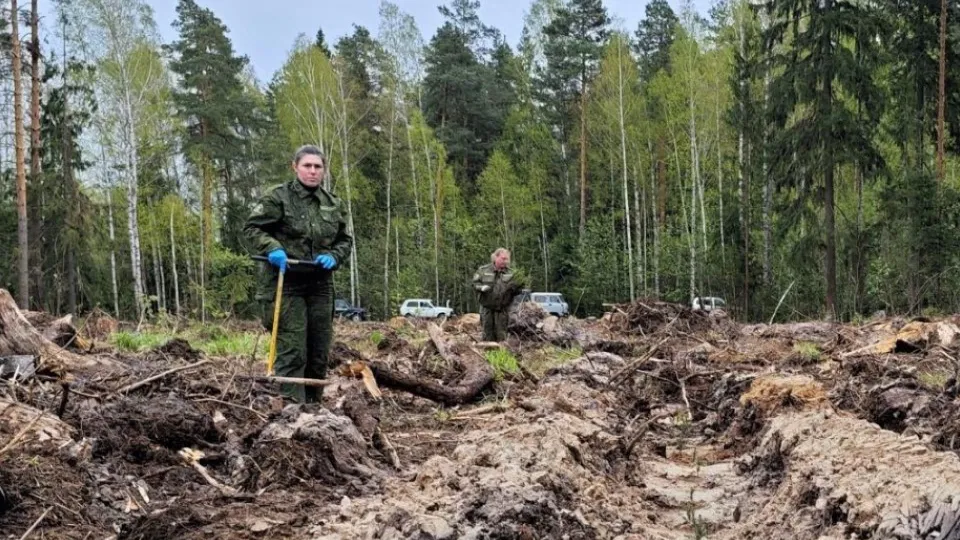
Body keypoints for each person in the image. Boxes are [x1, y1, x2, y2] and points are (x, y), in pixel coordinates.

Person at [243, 145, 352, 403]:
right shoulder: (277, 198)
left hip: (320, 284)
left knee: (318, 351)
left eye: (318, 167)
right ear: (295, 167)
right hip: (286, 282)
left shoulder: (333, 203)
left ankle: (314, 409)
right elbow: (252, 229)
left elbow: (344, 240)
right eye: (307, 166)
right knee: (293, 350)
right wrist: (272, 247)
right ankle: (291, 409)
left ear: (324, 170)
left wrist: (334, 256)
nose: (313, 171)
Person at [472, 248, 524, 342]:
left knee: (502, 335)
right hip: (487, 309)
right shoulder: (483, 270)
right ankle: (488, 350)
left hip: (503, 310)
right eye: (503, 258)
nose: (505, 261)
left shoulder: (512, 273)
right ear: (495, 257)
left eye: (507, 259)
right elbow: (474, 284)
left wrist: (515, 288)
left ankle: (501, 350)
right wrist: (481, 288)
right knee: (487, 334)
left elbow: (520, 289)